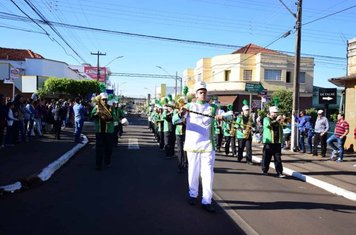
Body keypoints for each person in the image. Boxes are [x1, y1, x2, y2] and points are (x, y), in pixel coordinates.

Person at [172, 81, 227, 213]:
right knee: (193, 171)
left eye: (204, 92)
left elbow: (228, 114)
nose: (203, 94)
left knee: (208, 174)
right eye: (200, 92)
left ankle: (207, 200)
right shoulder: (189, 106)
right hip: (192, 145)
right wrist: (181, 113)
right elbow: (175, 120)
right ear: (196, 94)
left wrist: (222, 116)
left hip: (208, 145)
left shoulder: (212, 108)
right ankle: (193, 194)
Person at [91, 93, 115, 170]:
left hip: (109, 132)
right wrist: (97, 114)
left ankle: (107, 161)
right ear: (100, 100)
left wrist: (106, 117)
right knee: (99, 149)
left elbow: (113, 117)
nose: (104, 101)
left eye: (105, 99)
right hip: (99, 131)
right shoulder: (96, 107)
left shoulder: (111, 108)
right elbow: (91, 116)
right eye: (103, 99)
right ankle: (98, 165)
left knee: (108, 148)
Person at [261, 106, 285, 177]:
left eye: (276, 113)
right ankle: (264, 170)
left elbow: (284, 126)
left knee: (278, 158)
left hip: (277, 142)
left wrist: (282, 121)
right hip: (269, 142)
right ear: (271, 113)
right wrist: (276, 121)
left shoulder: (279, 120)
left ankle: (279, 172)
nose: (275, 114)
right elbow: (268, 125)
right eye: (274, 113)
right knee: (266, 157)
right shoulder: (266, 119)